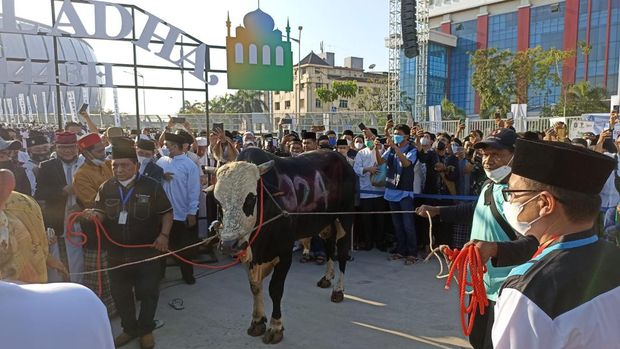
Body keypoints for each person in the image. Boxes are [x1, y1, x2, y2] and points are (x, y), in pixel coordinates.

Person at [491, 138, 620, 348]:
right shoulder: (613, 255)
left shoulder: (528, 291)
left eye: (513, 193)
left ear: (544, 203)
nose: (509, 202)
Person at [416, 128, 519, 349]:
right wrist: (438, 211)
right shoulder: (490, 185)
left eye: (497, 155)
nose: (488, 161)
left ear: (515, 155)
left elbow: (532, 241)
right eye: (485, 155)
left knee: (497, 343)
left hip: (507, 286)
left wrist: (494, 249)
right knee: (477, 338)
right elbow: (474, 210)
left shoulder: (520, 193)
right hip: (480, 281)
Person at [83, 137, 173, 349]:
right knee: (121, 295)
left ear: (137, 165)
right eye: (115, 165)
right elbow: (101, 212)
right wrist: (94, 215)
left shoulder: (152, 186)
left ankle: (146, 330)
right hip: (116, 254)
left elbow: (167, 213)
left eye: (125, 165)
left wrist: (164, 236)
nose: (119, 169)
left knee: (149, 293)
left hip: (147, 252)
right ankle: (130, 329)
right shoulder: (106, 187)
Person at [73, 132, 116, 315]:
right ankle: (103, 310)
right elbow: (92, 203)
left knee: (116, 268)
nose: (103, 154)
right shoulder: (81, 175)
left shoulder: (108, 164)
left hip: (116, 227)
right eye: (99, 151)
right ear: (86, 154)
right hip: (97, 229)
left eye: (103, 150)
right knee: (100, 271)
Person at [35, 131, 85, 282]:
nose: (68, 151)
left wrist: (81, 207)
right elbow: (40, 193)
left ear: (77, 147)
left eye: (71, 147)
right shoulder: (46, 166)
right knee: (57, 258)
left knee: (79, 260)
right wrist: (62, 191)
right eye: (63, 147)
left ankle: (79, 288)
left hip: (82, 219)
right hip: (58, 219)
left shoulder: (85, 164)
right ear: (56, 148)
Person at [156, 132, 201, 284]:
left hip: (180, 214)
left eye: (168, 146)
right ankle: (160, 275)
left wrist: (192, 212)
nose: (165, 148)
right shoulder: (161, 162)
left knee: (183, 247)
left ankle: (187, 275)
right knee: (160, 246)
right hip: (161, 213)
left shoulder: (189, 165)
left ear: (176, 147)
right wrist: (161, 176)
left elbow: (194, 190)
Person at [376, 123, 418, 264]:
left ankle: (412, 252)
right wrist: (377, 150)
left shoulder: (412, 149)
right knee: (397, 224)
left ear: (406, 136)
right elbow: (381, 161)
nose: (396, 136)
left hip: (405, 191)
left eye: (398, 134)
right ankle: (401, 250)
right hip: (391, 189)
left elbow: (407, 164)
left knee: (408, 224)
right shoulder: (392, 150)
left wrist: (395, 148)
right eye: (394, 134)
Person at [354, 128, 387, 251]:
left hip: (380, 192)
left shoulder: (382, 149)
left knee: (380, 220)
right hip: (365, 192)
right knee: (366, 220)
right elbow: (356, 169)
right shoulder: (361, 153)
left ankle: (380, 242)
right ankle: (368, 242)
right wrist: (368, 169)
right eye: (366, 139)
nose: (368, 140)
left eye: (370, 138)